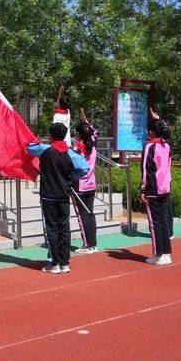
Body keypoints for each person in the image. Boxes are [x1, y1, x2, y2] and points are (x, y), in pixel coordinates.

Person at [27, 123, 90, 274]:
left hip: (48, 196)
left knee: (51, 229)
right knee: (64, 228)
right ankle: (64, 262)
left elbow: (29, 149)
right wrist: (71, 177)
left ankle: (54, 263)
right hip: (63, 195)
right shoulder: (71, 153)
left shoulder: (45, 150)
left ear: (50, 136)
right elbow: (85, 168)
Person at [141, 113, 173, 266]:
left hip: (153, 189)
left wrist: (143, 189)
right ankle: (166, 253)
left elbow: (146, 170)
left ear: (151, 132)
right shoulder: (166, 145)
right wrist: (158, 119)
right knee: (164, 221)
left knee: (155, 223)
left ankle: (158, 254)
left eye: (149, 130)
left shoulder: (150, 146)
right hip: (165, 188)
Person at [72, 109, 100, 254]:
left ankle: (87, 245)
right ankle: (93, 244)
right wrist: (86, 121)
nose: (74, 135)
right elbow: (94, 133)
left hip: (80, 186)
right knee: (90, 214)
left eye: (76, 133)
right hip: (91, 184)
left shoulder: (77, 150)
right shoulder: (92, 145)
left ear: (79, 135)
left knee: (82, 216)